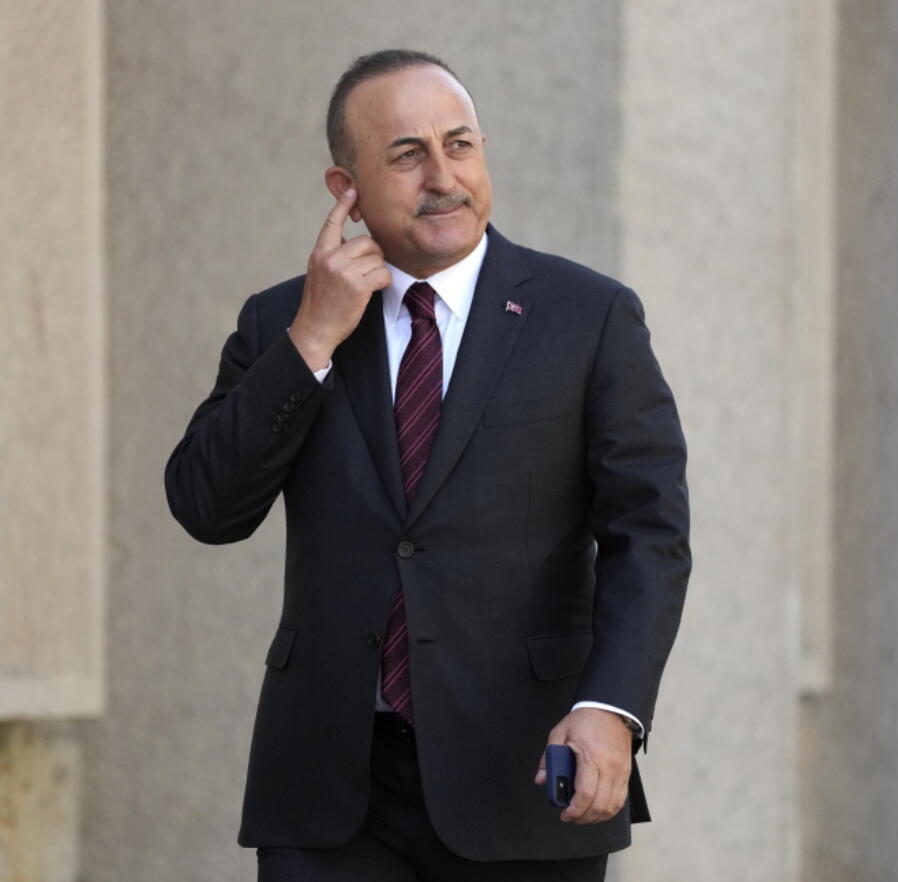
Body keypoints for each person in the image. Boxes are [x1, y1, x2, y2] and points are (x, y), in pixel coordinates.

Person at [164, 49, 691, 882]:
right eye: (407, 155)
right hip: (331, 792)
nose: (442, 176)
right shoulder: (282, 324)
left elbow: (649, 533)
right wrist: (312, 341)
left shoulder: (588, 317)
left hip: (523, 776)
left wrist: (610, 708)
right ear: (346, 188)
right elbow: (205, 506)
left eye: (461, 145)